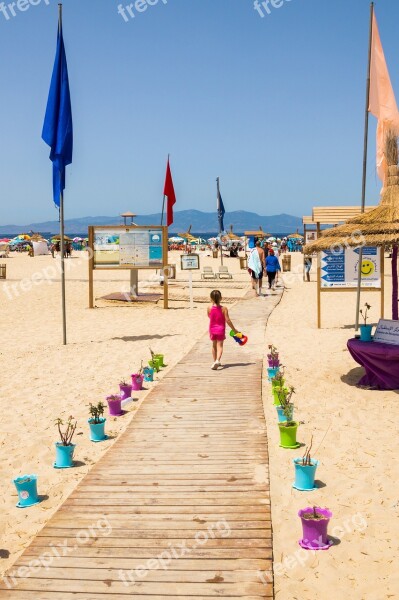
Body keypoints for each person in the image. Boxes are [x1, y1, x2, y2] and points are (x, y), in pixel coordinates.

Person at [207, 290, 238, 370]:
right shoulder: (224, 309)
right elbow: (228, 320)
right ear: (221, 298)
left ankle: (214, 361)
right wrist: (234, 330)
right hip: (221, 329)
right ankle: (217, 360)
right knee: (220, 346)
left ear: (211, 299)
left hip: (212, 329)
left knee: (214, 345)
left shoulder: (209, 308)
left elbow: (209, 316)